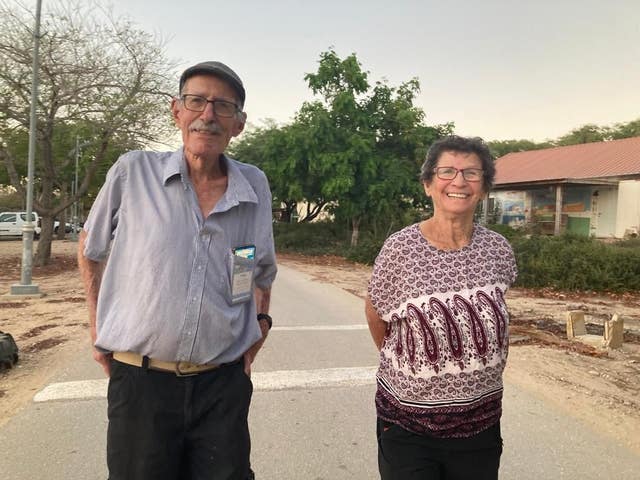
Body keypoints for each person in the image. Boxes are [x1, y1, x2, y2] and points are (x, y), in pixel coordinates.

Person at [78, 61, 277, 480]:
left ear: (238, 124)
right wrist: (97, 327)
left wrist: (259, 323)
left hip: (221, 387)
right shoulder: (133, 171)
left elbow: (254, 267)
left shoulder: (253, 185)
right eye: (196, 101)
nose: (208, 115)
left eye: (223, 107)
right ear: (177, 111)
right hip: (141, 384)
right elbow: (91, 248)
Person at [365, 135, 517, 480]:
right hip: (409, 425)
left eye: (472, 173)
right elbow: (377, 314)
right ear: (428, 184)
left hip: (480, 422)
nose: (459, 181)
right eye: (447, 171)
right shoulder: (400, 249)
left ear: (483, 187)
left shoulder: (498, 249)